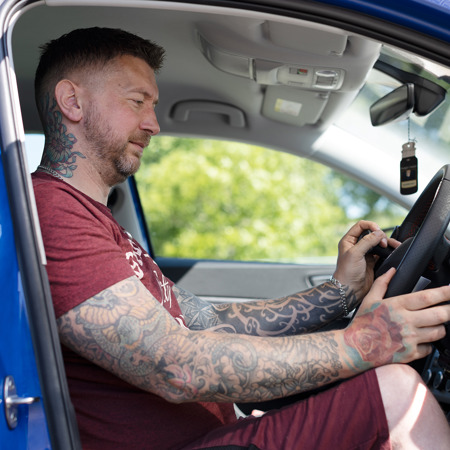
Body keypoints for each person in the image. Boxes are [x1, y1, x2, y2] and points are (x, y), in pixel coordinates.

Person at [31, 27, 450, 450]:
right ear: (73, 101)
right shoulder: (50, 212)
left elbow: (208, 323)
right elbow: (176, 365)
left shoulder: (100, 225)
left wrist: (340, 294)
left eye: (152, 106)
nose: (153, 124)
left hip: (219, 430)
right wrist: (364, 343)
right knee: (397, 391)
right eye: (137, 101)